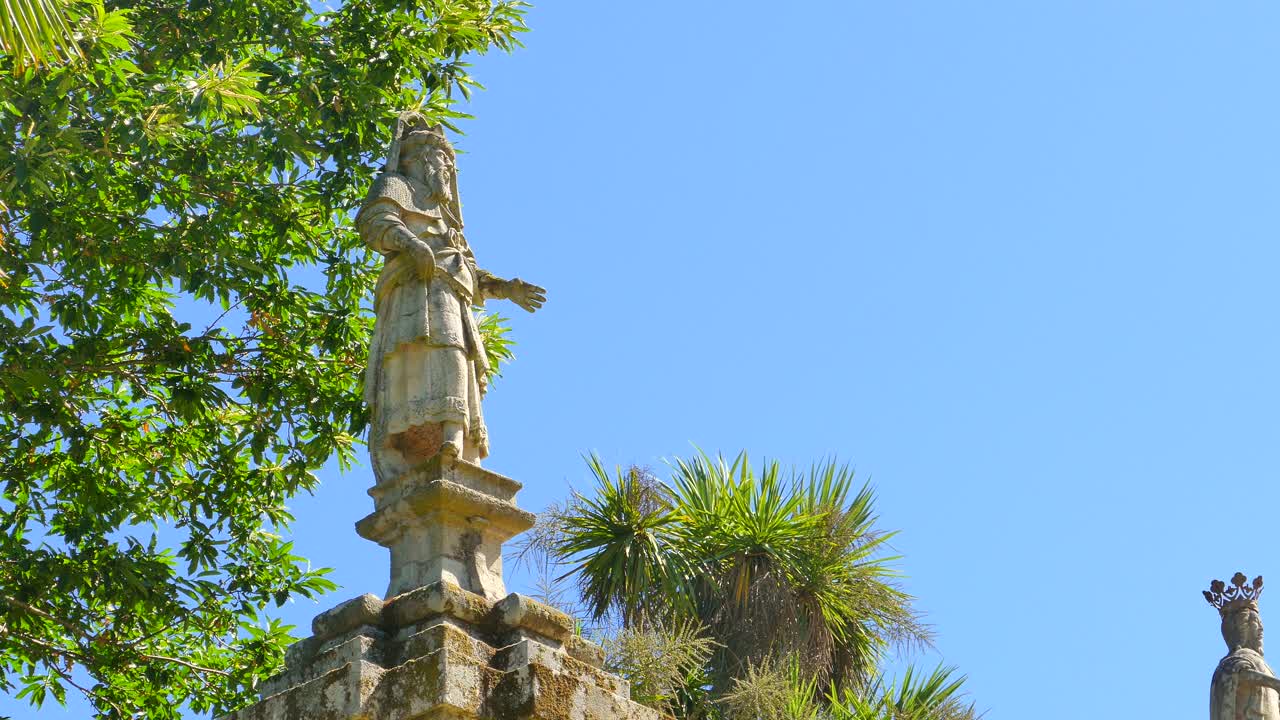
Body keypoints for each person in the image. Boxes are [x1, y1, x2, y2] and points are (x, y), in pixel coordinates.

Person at [356, 112, 545, 481]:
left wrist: (505, 287)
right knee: (407, 362)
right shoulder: (395, 186)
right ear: (418, 161)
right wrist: (410, 244)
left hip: (451, 298)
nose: (445, 168)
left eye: (448, 162)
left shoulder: (449, 223)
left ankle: (453, 439)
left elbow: (471, 273)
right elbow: (376, 222)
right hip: (411, 291)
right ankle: (402, 443)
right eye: (439, 160)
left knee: (455, 358)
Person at [1207, 574, 1280, 720]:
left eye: (1260, 625)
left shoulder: (1263, 664)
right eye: (1255, 624)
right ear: (1240, 628)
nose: (1260, 630)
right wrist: (1275, 684)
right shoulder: (1232, 662)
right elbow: (1239, 675)